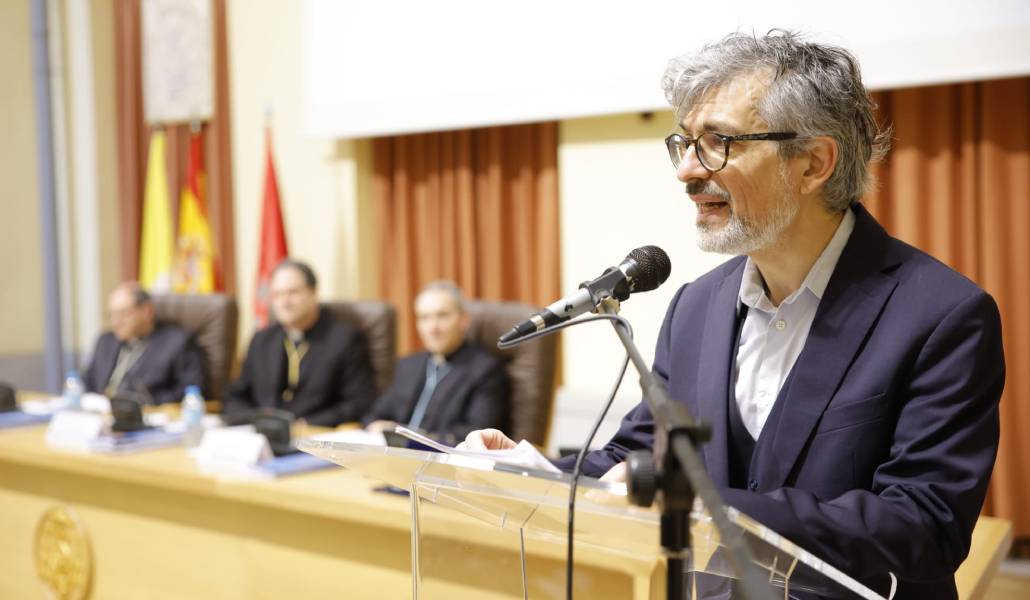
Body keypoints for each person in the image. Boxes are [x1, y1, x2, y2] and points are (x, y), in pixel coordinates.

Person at [462, 31, 1004, 598]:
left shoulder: (942, 314)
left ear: (814, 162)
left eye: (718, 142)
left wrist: (707, 506)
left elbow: (924, 525)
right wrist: (538, 472)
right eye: (685, 143)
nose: (687, 172)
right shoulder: (695, 305)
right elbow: (640, 454)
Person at [224, 259, 378, 427]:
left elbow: (360, 402)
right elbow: (237, 396)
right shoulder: (262, 340)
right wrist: (256, 419)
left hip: (315, 437)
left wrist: (309, 423)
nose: (284, 302)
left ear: (313, 292)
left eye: (292, 293)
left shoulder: (344, 340)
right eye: (277, 295)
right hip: (266, 436)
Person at [364, 281, 509, 444]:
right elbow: (374, 415)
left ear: (464, 320)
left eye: (442, 316)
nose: (432, 328)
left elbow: (478, 432)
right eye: (424, 318)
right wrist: (377, 426)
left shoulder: (485, 370)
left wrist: (413, 437)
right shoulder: (408, 365)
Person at [83, 282, 206, 404]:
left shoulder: (177, 342)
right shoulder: (105, 341)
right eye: (112, 315)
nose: (116, 322)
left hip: (147, 417)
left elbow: (190, 392)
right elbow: (87, 383)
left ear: (147, 311)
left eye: (123, 314)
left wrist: (145, 402)